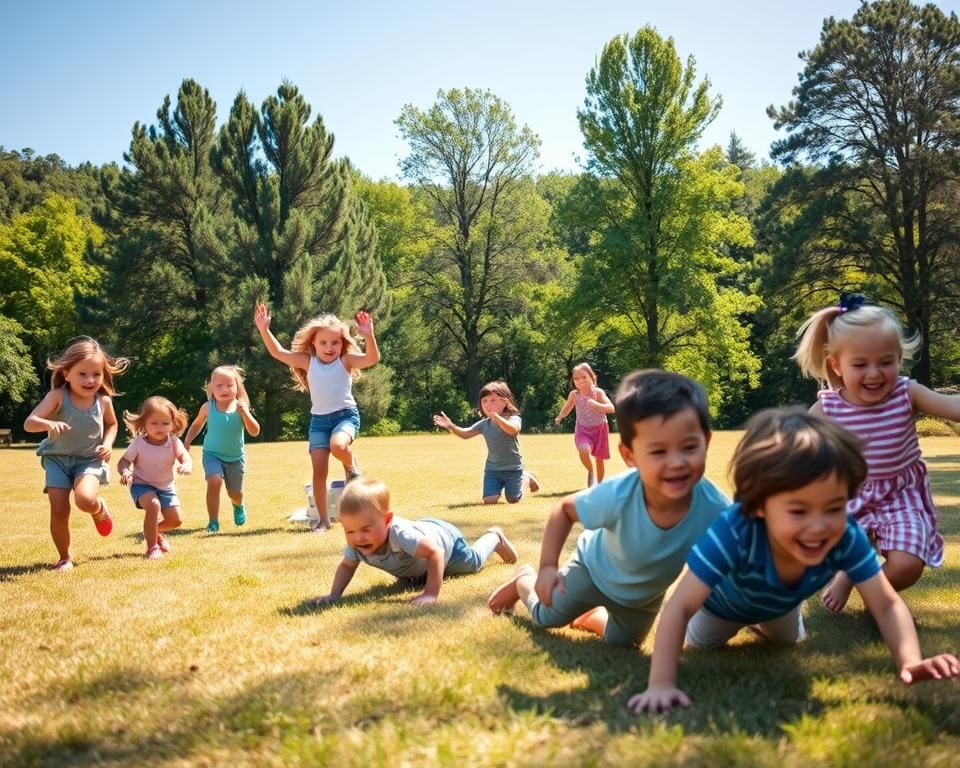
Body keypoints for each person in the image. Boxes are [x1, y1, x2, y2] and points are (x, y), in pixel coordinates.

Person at [628, 408, 960, 714]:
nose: (818, 527)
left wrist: (909, 660)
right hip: (720, 608)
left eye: (833, 507)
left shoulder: (845, 533)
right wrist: (660, 683)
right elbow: (680, 606)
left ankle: (762, 624)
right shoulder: (734, 531)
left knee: (788, 642)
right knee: (700, 649)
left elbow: (886, 604)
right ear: (759, 506)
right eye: (798, 511)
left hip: (780, 605)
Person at [487, 370, 728, 647]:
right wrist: (548, 568)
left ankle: (590, 615)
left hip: (642, 599)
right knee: (546, 617)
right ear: (629, 455)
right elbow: (564, 511)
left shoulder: (715, 507)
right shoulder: (622, 492)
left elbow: (741, 547)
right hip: (591, 571)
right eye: (658, 451)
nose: (676, 463)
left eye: (688, 447)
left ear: (706, 442)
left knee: (623, 643)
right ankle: (523, 579)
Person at [794, 292, 959, 612]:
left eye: (886, 362)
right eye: (860, 364)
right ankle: (849, 572)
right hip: (850, 495)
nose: (874, 373)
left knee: (907, 565)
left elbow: (951, 406)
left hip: (902, 494)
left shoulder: (906, 393)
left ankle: (863, 584)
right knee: (826, 554)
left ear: (899, 358)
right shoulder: (828, 407)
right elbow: (793, 447)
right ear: (836, 365)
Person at [254, 303, 379, 532]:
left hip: (345, 417)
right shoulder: (308, 362)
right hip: (318, 422)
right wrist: (264, 329)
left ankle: (352, 467)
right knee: (318, 472)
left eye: (335, 342)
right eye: (323, 342)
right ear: (313, 343)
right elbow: (277, 352)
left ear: (342, 343)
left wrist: (369, 335)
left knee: (338, 445)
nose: (329, 347)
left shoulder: (346, 361)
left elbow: (372, 358)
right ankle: (323, 521)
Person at [310, 478, 519, 606]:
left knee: (472, 564)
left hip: (446, 542)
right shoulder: (357, 544)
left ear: (387, 520)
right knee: (421, 571)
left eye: (366, 529)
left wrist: (430, 594)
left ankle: (494, 537)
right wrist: (334, 595)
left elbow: (435, 553)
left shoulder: (401, 535)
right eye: (350, 531)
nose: (358, 537)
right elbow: (347, 566)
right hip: (421, 544)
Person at [24, 336, 129, 570]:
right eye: (82, 374)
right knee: (59, 509)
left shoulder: (103, 402)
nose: (90, 380)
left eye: (96, 374)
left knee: (85, 500)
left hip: (89, 460)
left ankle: (99, 508)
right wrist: (47, 424)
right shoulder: (58, 397)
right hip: (57, 460)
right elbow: (29, 423)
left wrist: (109, 443)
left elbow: (112, 425)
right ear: (66, 373)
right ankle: (65, 557)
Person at [433, 380, 540, 504]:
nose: (488, 404)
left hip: (513, 468)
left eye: (493, 400)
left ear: (505, 401)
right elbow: (466, 434)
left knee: (513, 499)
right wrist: (450, 426)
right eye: (484, 401)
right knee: (489, 501)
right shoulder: (485, 424)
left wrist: (496, 417)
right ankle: (510, 482)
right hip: (492, 469)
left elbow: (513, 430)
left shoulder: (513, 418)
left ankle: (526, 477)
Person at [184, 365, 260, 533]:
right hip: (212, 454)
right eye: (219, 385)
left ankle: (238, 505)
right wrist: (187, 442)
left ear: (236, 388)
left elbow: (254, 432)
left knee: (235, 493)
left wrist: (246, 414)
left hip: (235, 458)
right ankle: (213, 521)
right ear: (211, 387)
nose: (224, 389)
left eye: (229, 385)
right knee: (214, 481)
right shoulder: (207, 407)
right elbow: (196, 425)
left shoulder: (241, 408)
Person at [117, 396, 192, 559]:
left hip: (166, 487)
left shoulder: (173, 442)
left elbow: (185, 458)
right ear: (144, 423)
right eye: (154, 423)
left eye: (165, 423)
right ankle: (152, 548)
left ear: (173, 424)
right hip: (141, 485)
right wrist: (125, 472)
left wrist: (186, 465)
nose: (160, 427)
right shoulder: (139, 443)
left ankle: (153, 531)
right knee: (153, 505)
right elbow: (123, 462)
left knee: (176, 520)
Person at [553, 362, 615, 487]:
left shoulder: (598, 393)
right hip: (583, 429)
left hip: (600, 429)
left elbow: (611, 408)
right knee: (583, 449)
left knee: (599, 459)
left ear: (592, 377)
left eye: (584, 377)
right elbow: (567, 407)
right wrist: (560, 417)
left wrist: (598, 405)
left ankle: (600, 484)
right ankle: (590, 470)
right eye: (576, 378)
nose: (580, 381)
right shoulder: (574, 395)